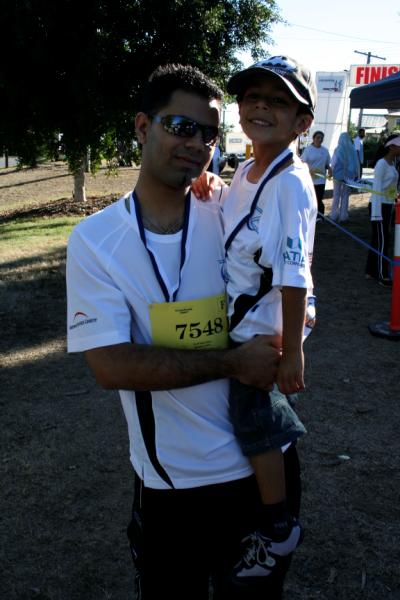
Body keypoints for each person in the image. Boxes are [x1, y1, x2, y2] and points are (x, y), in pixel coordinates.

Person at [66, 63, 301, 600]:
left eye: (209, 133)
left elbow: (294, 269)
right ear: (142, 127)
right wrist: (232, 362)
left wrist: (299, 325)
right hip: (174, 486)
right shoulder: (95, 241)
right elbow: (110, 365)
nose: (196, 144)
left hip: (263, 470)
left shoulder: (231, 209)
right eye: (180, 126)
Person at [194, 55, 317, 583]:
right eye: (253, 97)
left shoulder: (291, 183)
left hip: (263, 329)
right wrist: (212, 184)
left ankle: (278, 527)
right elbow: (240, 219)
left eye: (278, 101)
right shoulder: (246, 169)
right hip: (238, 320)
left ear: (302, 122)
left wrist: (292, 353)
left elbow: (294, 272)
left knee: (257, 423)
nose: (261, 107)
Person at [365, 133, 400, 287]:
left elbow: (390, 188)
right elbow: (377, 189)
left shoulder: (392, 164)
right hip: (378, 206)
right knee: (382, 241)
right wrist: (376, 214)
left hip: (388, 205)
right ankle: (382, 275)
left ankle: (370, 271)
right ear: (391, 147)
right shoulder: (381, 164)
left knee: (378, 240)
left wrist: (394, 199)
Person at [301, 130, 332, 221]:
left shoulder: (325, 150)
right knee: (310, 198)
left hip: (321, 179)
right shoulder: (308, 150)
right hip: (310, 179)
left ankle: (320, 217)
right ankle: (309, 216)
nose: (319, 139)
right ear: (313, 138)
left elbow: (327, 164)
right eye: (318, 137)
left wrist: (330, 170)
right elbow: (302, 162)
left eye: (321, 138)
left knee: (319, 198)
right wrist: (308, 171)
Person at [329, 132, 359, 223]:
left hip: (337, 176)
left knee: (336, 195)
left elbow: (333, 163)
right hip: (349, 176)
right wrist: (355, 174)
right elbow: (356, 163)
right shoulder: (353, 149)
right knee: (345, 196)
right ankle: (343, 216)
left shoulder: (338, 149)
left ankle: (334, 215)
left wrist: (330, 171)